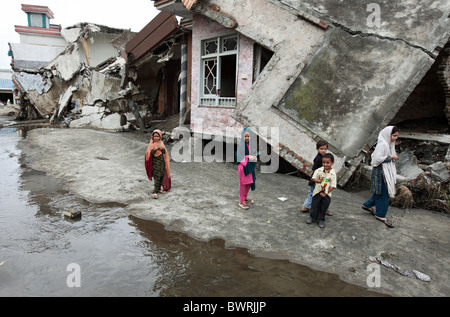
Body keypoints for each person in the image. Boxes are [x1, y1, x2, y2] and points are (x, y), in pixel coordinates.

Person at [361, 126, 399, 228]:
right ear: (388, 135)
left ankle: (367, 205)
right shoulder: (382, 145)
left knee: (380, 191)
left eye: (396, 136)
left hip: (384, 171)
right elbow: (376, 160)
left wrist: (392, 157)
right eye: (394, 135)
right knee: (383, 193)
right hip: (381, 172)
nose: (396, 138)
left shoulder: (388, 145)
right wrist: (390, 157)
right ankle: (380, 215)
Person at [301, 140, 333, 216]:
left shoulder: (323, 158)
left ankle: (320, 208)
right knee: (315, 193)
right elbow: (315, 169)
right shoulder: (319, 159)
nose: (323, 150)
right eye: (321, 149)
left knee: (321, 193)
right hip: (317, 180)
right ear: (317, 149)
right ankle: (306, 207)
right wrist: (319, 178)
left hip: (321, 179)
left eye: (325, 149)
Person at [306, 153, 337, 228]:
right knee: (314, 205)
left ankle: (321, 219)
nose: (325, 164)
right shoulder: (319, 170)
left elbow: (333, 185)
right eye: (323, 162)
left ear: (332, 163)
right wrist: (320, 180)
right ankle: (312, 217)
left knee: (324, 206)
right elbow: (313, 178)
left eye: (328, 163)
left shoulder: (333, 173)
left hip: (327, 193)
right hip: (317, 191)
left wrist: (326, 193)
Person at [145, 129, 171, 199]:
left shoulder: (161, 143)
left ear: (160, 137)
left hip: (162, 162)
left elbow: (164, 152)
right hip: (155, 163)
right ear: (152, 137)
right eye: (155, 136)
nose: (156, 138)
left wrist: (161, 148)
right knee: (157, 177)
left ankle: (159, 189)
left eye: (157, 136)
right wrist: (155, 149)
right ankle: (155, 192)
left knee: (161, 175)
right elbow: (148, 153)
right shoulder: (151, 144)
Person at [236, 127, 257, 210]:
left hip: (250, 167)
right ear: (242, 137)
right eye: (245, 136)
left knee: (249, 183)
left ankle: (244, 197)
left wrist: (254, 158)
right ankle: (241, 201)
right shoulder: (241, 145)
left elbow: (254, 155)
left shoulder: (251, 146)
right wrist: (248, 157)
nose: (247, 138)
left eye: (248, 136)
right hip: (243, 167)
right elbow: (238, 157)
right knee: (243, 184)